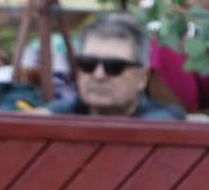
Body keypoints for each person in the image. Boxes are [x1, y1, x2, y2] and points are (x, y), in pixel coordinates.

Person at [45, 13, 186, 118]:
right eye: (88, 64)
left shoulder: (163, 121)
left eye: (114, 67)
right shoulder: (64, 112)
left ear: (142, 78)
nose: (99, 75)